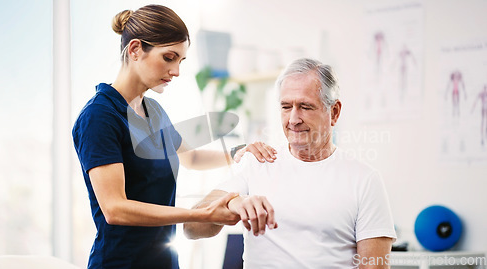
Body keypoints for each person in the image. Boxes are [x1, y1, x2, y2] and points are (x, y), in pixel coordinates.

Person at [72, 4, 276, 269]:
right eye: (169, 58)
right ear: (135, 50)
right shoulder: (100, 116)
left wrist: (239, 152)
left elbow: (191, 157)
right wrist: (200, 215)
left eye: (180, 61)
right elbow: (115, 208)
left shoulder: (153, 110)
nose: (177, 71)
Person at [184, 58, 397, 268]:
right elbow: (191, 227)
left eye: (305, 106)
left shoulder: (365, 180)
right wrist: (233, 203)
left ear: (334, 112)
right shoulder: (258, 162)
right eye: (286, 107)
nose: (293, 119)